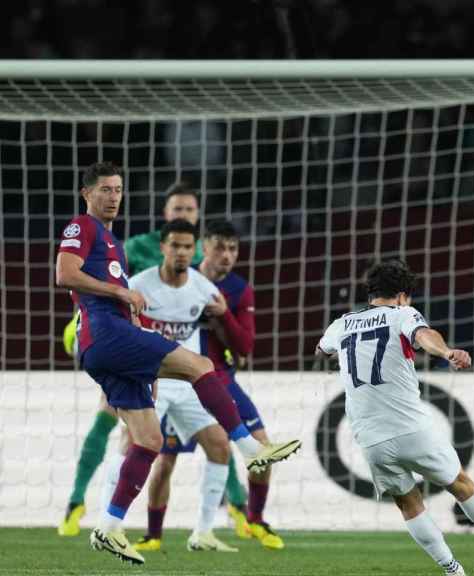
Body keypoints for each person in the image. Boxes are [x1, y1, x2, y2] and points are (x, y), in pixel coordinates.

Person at [54, 161, 301, 565]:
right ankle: (251, 449)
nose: (113, 196)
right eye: (105, 190)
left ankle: (109, 526)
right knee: (201, 366)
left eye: (118, 189)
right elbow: (64, 274)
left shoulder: (112, 241)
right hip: (106, 336)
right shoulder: (83, 226)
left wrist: (124, 308)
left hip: (110, 343)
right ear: (87, 194)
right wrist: (118, 292)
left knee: (148, 441)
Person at [315, 260, 474, 576]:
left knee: (409, 504)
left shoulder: (341, 324)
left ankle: (453, 570)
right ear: (403, 295)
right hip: (409, 428)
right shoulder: (402, 314)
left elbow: (321, 351)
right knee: (460, 484)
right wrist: (446, 353)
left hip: (370, 439)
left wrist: (343, 357)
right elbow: (424, 335)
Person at [133, 220, 285, 551]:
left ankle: (254, 521)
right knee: (164, 459)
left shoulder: (237, 290)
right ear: (204, 247)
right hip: (176, 379)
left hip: (219, 379)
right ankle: (153, 534)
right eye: (219, 247)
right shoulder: (178, 279)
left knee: (262, 447)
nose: (226, 256)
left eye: (233, 249)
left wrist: (223, 315)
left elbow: (244, 346)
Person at [98, 218, 238, 552]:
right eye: (174, 245)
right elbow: (119, 331)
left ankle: (203, 534)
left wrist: (224, 315)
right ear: (162, 247)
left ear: (195, 251)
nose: (180, 252)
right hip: (150, 378)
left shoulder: (204, 288)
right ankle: (107, 523)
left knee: (219, 445)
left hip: (189, 381)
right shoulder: (139, 285)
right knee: (132, 442)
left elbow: (239, 339)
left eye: (187, 246)